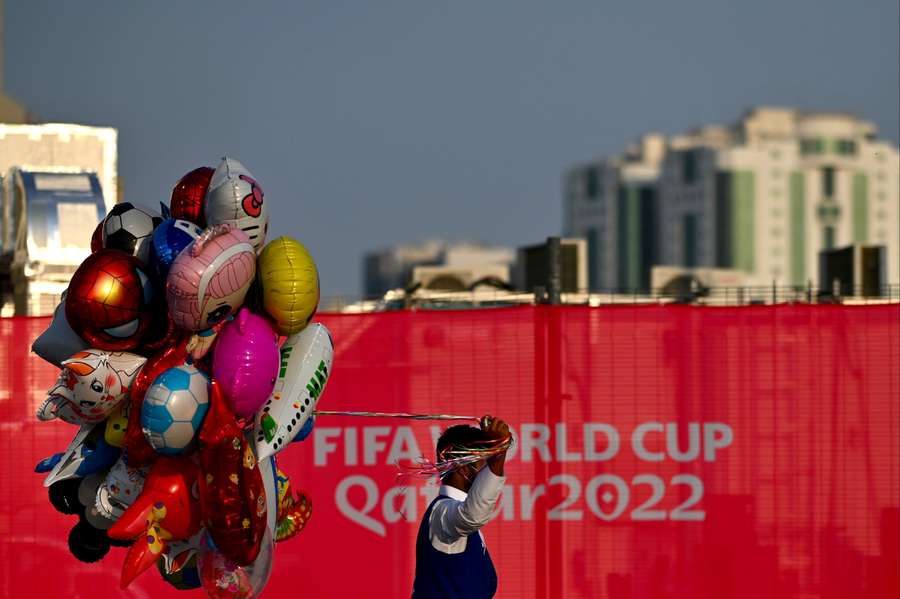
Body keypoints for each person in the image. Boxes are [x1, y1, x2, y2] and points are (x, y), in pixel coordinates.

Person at [411, 415, 511, 599]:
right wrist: (498, 458)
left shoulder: (453, 514)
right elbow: (472, 516)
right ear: (463, 467)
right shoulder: (441, 515)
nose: (488, 470)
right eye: (485, 462)